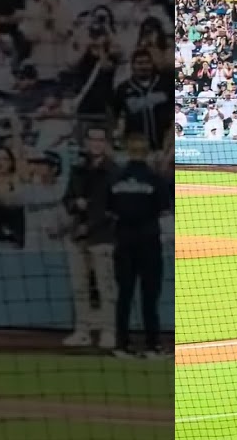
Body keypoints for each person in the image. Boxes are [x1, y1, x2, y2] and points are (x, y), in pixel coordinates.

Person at [108, 133, 169, 360]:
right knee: (149, 297)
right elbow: (163, 211)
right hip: (149, 242)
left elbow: (110, 210)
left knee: (124, 295)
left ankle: (121, 346)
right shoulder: (155, 179)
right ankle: (152, 346)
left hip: (123, 241)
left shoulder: (115, 178)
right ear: (147, 153)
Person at [60, 126, 120, 350]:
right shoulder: (78, 169)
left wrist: (89, 222)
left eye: (100, 140)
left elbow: (113, 208)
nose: (96, 144)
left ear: (105, 143)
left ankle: (108, 331)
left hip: (102, 236)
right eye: (92, 139)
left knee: (106, 287)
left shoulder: (114, 171)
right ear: (86, 143)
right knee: (79, 287)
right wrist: (76, 205)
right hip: (78, 236)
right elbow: (67, 199)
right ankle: (82, 331)